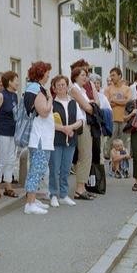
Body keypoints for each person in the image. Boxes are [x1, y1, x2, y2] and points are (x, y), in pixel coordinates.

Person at [24, 62, 55, 214]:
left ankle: (33, 199)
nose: (49, 75)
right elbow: (44, 111)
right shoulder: (36, 89)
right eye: (47, 72)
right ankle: (29, 204)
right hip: (40, 137)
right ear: (41, 73)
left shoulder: (34, 88)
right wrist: (50, 98)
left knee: (37, 169)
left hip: (42, 137)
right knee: (37, 170)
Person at [49, 75, 82, 207]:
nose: (61, 87)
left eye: (63, 84)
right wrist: (63, 129)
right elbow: (49, 122)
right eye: (58, 85)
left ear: (67, 86)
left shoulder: (73, 102)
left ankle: (63, 194)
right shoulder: (51, 103)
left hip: (71, 139)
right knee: (55, 168)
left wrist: (71, 128)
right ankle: (53, 194)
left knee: (66, 169)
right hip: (56, 140)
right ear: (54, 88)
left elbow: (80, 120)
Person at [70, 66, 96, 200]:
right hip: (80, 124)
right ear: (75, 76)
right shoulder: (74, 89)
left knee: (87, 156)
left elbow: (94, 103)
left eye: (86, 75)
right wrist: (92, 106)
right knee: (85, 156)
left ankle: (83, 186)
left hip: (85, 123)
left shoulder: (83, 90)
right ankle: (79, 189)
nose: (85, 77)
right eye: (82, 75)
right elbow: (88, 107)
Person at [0, 71, 19, 199]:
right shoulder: (0, 96)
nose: (18, 83)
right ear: (9, 82)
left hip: (12, 132)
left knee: (11, 160)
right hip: (2, 132)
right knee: (1, 160)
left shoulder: (15, 96)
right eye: (16, 80)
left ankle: (8, 186)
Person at [104, 67, 131, 157]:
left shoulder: (127, 89)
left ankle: (123, 162)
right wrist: (121, 102)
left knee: (124, 142)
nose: (111, 77)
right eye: (110, 75)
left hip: (124, 118)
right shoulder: (108, 89)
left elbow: (128, 102)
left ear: (119, 76)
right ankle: (111, 160)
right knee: (111, 140)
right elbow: (107, 103)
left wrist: (114, 101)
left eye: (113, 75)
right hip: (112, 119)